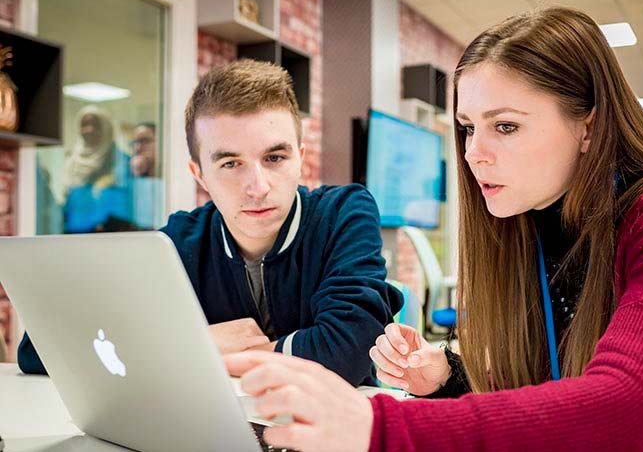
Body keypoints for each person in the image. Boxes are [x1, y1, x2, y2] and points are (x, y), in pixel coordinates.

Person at [222, 7, 643, 452]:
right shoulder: (534, 222)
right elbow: (558, 388)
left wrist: (376, 427)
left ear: (589, 125)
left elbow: (626, 410)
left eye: (505, 126)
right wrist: (452, 377)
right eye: (467, 128)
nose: (474, 154)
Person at [18, 60, 403, 387]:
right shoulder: (178, 243)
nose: (258, 187)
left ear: (300, 159)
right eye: (230, 163)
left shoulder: (344, 214)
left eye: (274, 158)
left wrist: (196, 355)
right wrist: (197, 343)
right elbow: (38, 349)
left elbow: (349, 351)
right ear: (199, 174)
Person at [62, 105, 135, 233]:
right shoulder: (71, 162)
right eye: (84, 125)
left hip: (110, 237)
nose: (88, 130)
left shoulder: (120, 161)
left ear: (105, 128)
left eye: (95, 125)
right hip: (73, 237)